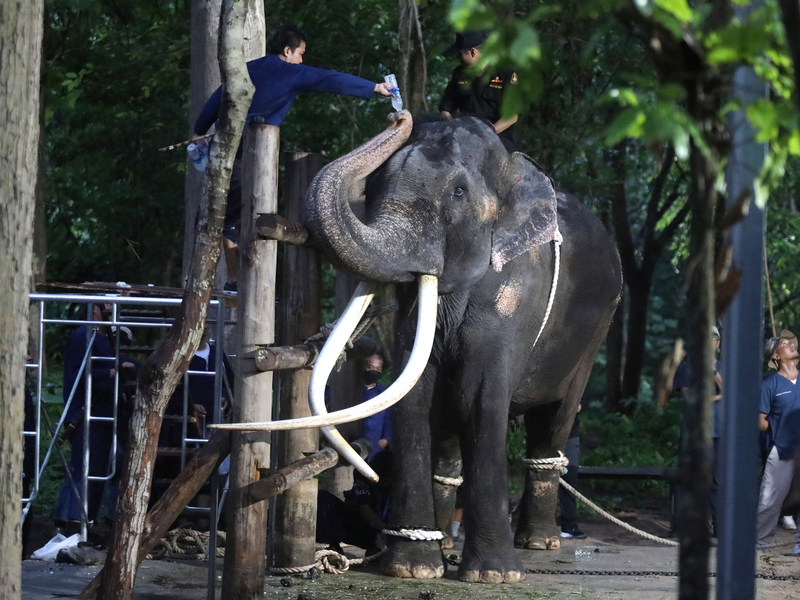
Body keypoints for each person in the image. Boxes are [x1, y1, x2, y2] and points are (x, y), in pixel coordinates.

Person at [193, 26, 393, 294]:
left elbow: (215, 99)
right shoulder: (291, 71)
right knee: (244, 217)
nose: (302, 60)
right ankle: (241, 282)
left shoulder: (247, 68)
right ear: (288, 51)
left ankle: (234, 280)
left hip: (224, 146)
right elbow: (330, 79)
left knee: (226, 217)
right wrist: (375, 88)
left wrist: (199, 129)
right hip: (255, 155)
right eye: (300, 53)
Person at [54, 303, 138, 533]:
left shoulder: (104, 338)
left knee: (99, 471)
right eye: (108, 309)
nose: (113, 314)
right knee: (84, 469)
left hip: (104, 415)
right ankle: (73, 525)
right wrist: (116, 369)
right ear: (96, 311)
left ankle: (85, 522)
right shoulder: (84, 336)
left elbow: (121, 361)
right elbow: (84, 372)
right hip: (85, 414)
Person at [673, 325, 723, 535]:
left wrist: (713, 373)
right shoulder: (687, 367)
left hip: (719, 433)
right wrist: (719, 397)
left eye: (714, 338)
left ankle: (719, 528)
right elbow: (691, 398)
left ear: (718, 344)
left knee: (717, 482)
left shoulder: (723, 366)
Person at [438, 30, 520, 153]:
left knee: (514, 167)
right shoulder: (459, 73)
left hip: (497, 133)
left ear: (473, 52)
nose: (458, 57)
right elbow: (446, 109)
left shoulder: (506, 73)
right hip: (463, 130)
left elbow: (512, 116)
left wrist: (488, 133)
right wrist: (450, 125)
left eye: (460, 54)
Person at [756, 334, 800, 548]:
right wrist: (779, 432)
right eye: (784, 344)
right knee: (769, 500)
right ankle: (760, 543)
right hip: (782, 449)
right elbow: (760, 421)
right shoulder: (770, 383)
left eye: (790, 342)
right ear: (776, 356)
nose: (791, 344)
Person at [558, 403, 586, 539]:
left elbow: (579, 405)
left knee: (569, 477)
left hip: (570, 434)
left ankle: (568, 525)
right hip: (547, 431)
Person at [360, 352, 392, 462]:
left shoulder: (384, 393)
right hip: (353, 443)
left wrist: (386, 440)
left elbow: (389, 419)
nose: (374, 371)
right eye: (371, 367)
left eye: (378, 369)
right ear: (364, 366)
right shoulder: (352, 390)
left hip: (376, 446)